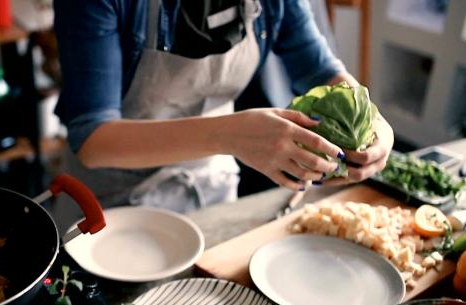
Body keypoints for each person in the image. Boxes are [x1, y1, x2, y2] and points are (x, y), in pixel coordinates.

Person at [50, 0, 394, 231]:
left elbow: (323, 73)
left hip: (213, 192)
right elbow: (92, 137)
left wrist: (373, 123)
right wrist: (231, 135)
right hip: (110, 205)